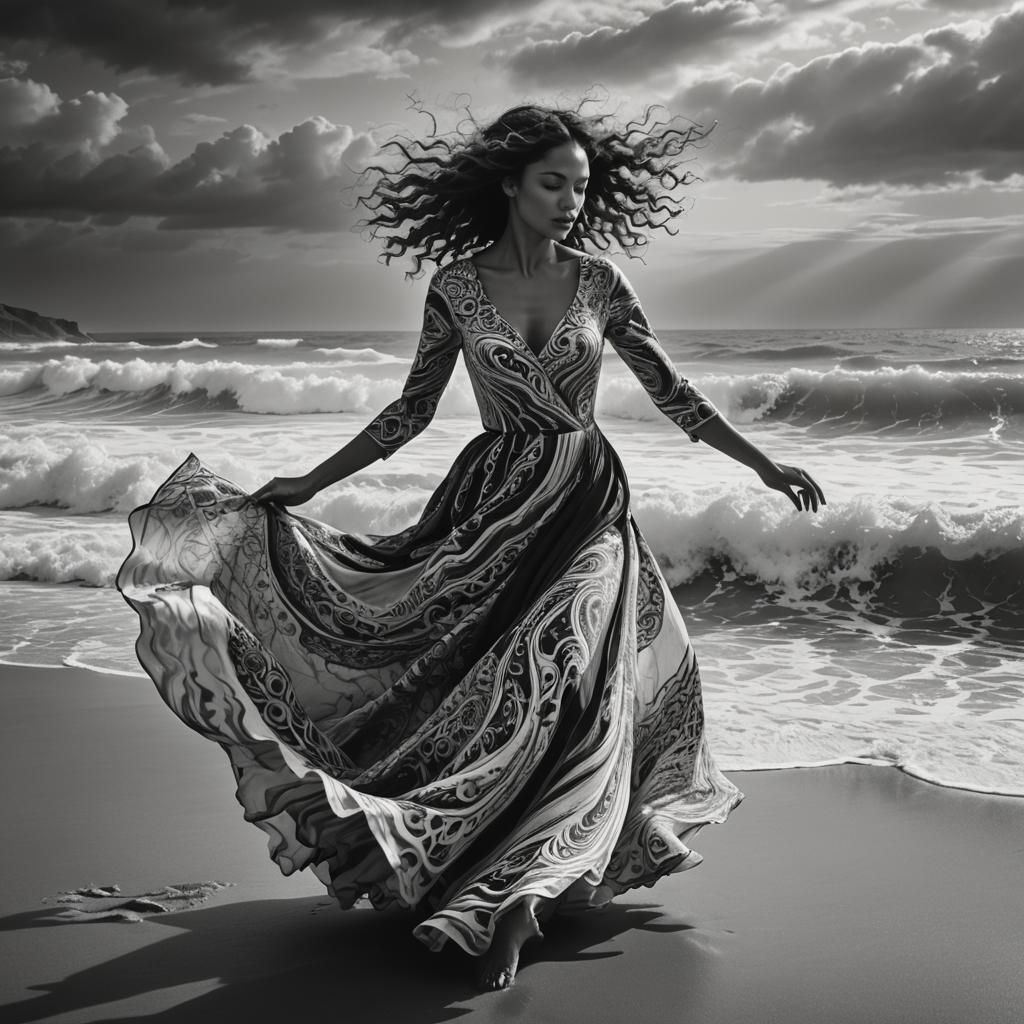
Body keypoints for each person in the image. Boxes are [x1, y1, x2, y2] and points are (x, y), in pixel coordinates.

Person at [117, 103, 825, 992]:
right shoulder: (455, 288)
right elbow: (410, 413)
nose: (572, 200)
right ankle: (490, 865)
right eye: (553, 183)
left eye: (582, 185)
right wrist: (306, 484)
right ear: (509, 185)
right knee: (494, 691)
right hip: (490, 508)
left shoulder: (601, 283)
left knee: (575, 676)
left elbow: (674, 394)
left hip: (586, 502)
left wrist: (762, 463)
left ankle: (530, 891)